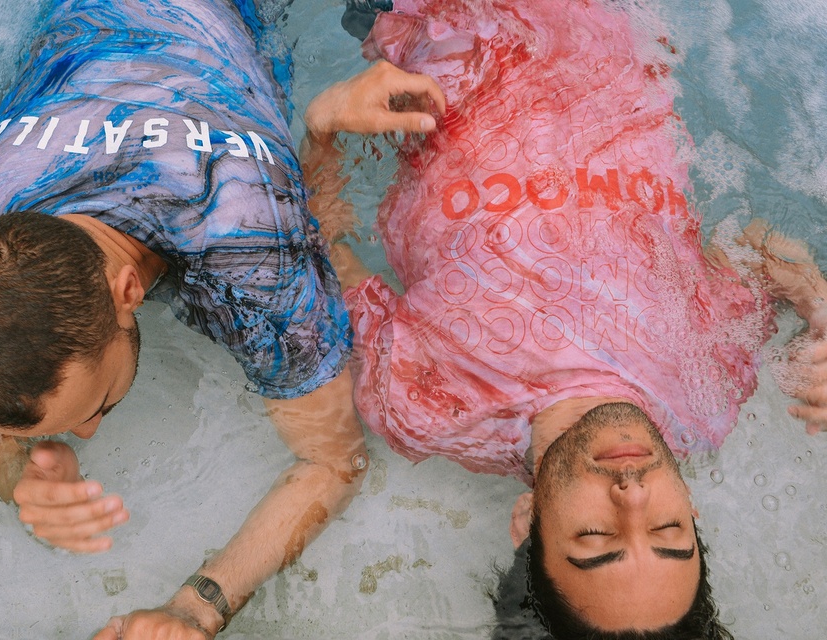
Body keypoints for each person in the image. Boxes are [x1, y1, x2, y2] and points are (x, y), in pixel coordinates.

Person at [299, 0, 827, 635]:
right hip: (615, 22)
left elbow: (317, 247)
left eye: (597, 533)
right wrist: (817, 306)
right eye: (667, 529)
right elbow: (756, 251)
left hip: (450, 26)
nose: (632, 493)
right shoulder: (709, 391)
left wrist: (323, 130)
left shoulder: (427, 402)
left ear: (526, 522)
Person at [0, 1, 433, 637]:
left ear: (128, 290)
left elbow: (335, 462)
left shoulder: (245, 242)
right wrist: (19, 481)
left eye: (96, 405)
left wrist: (195, 609)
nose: (92, 435)